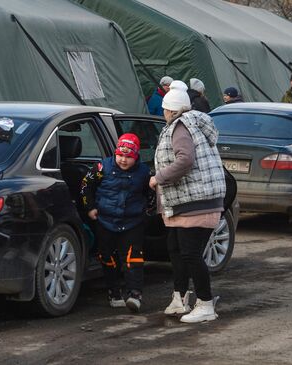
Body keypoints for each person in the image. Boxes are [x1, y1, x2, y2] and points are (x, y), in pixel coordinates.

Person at [149, 80, 226, 323]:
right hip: (189, 201)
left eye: (164, 109)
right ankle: (180, 297)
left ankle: (205, 304)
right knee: (176, 248)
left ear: (169, 110)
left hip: (196, 201)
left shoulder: (180, 127)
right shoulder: (187, 124)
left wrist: (158, 178)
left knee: (190, 253)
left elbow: (185, 160)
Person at [80, 133, 151, 312]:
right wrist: (90, 207)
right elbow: (85, 186)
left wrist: (147, 210)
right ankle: (114, 292)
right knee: (108, 258)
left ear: (136, 157)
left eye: (129, 157)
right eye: (120, 156)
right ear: (115, 153)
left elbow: (149, 194)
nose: (124, 160)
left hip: (132, 222)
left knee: (133, 258)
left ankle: (135, 294)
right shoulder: (101, 167)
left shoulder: (144, 172)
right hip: (105, 221)